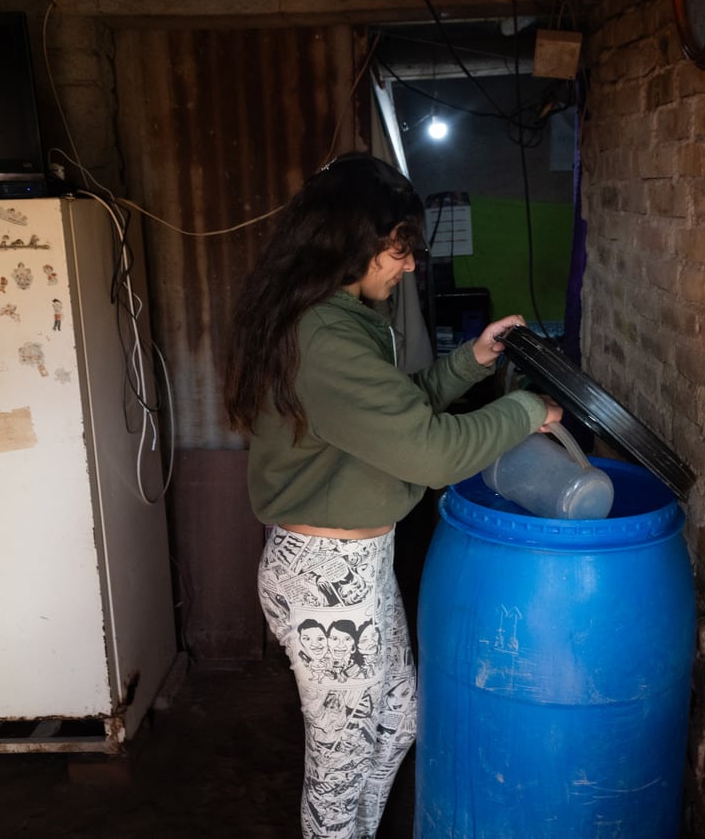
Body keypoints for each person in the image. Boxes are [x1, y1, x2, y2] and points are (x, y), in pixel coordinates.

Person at [223, 152, 562, 839]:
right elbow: (431, 451)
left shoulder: (336, 319)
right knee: (340, 766)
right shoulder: (323, 338)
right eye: (399, 250)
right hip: (328, 582)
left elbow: (396, 414)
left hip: (357, 567)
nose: (409, 267)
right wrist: (527, 411)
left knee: (397, 723)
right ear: (352, 241)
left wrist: (473, 360)